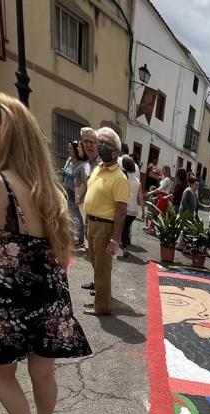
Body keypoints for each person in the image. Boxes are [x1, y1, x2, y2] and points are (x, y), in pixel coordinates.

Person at [0, 88, 91, 414]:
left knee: (0, 372)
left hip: (6, 300)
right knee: (43, 372)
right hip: (50, 298)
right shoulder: (48, 190)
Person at [82, 126, 129, 316]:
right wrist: (86, 224)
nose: (101, 146)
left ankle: (102, 306)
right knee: (96, 266)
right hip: (93, 224)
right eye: (99, 141)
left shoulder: (119, 177)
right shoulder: (98, 169)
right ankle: (100, 300)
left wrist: (114, 239)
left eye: (107, 143)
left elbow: (121, 212)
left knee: (102, 269)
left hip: (105, 227)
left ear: (117, 151)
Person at [77, 127, 100, 249]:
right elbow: (86, 184)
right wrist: (79, 195)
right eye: (85, 141)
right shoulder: (85, 166)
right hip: (90, 212)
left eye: (92, 142)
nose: (88, 145)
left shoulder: (105, 164)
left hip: (103, 217)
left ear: (98, 144)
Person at [61, 140, 85, 248]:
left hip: (74, 194)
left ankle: (81, 239)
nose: (68, 150)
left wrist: (78, 195)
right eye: (68, 148)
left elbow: (81, 182)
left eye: (71, 148)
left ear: (75, 150)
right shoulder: (68, 160)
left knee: (77, 216)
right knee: (68, 215)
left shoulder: (81, 165)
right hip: (65, 192)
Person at [121, 155, 143, 258]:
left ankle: (123, 246)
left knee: (123, 227)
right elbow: (140, 198)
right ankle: (123, 245)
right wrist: (143, 212)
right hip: (134, 211)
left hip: (125, 208)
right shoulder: (138, 182)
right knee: (126, 227)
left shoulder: (123, 178)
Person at [144, 164, 172, 229]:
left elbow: (160, 189)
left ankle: (151, 227)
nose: (162, 170)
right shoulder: (165, 179)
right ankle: (167, 229)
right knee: (163, 215)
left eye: (163, 169)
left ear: (166, 171)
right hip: (161, 197)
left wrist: (150, 193)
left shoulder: (167, 179)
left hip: (163, 197)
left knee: (156, 212)